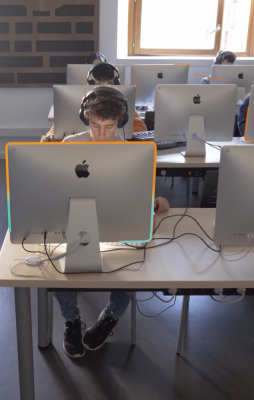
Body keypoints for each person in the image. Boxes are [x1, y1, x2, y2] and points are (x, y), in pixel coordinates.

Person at [57, 86, 170, 357]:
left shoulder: (130, 152)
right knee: (58, 263)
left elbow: (137, 193)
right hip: (77, 219)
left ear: (120, 122)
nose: (101, 134)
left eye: (108, 127)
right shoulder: (70, 145)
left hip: (115, 224)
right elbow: (56, 189)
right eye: (95, 125)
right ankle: (71, 320)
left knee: (133, 262)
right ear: (86, 119)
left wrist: (153, 200)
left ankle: (110, 316)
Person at [45, 63, 147, 140]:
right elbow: (59, 126)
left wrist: (113, 132)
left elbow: (141, 128)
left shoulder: (119, 104)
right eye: (99, 84)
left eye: (109, 83)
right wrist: (51, 135)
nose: (104, 87)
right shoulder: (84, 102)